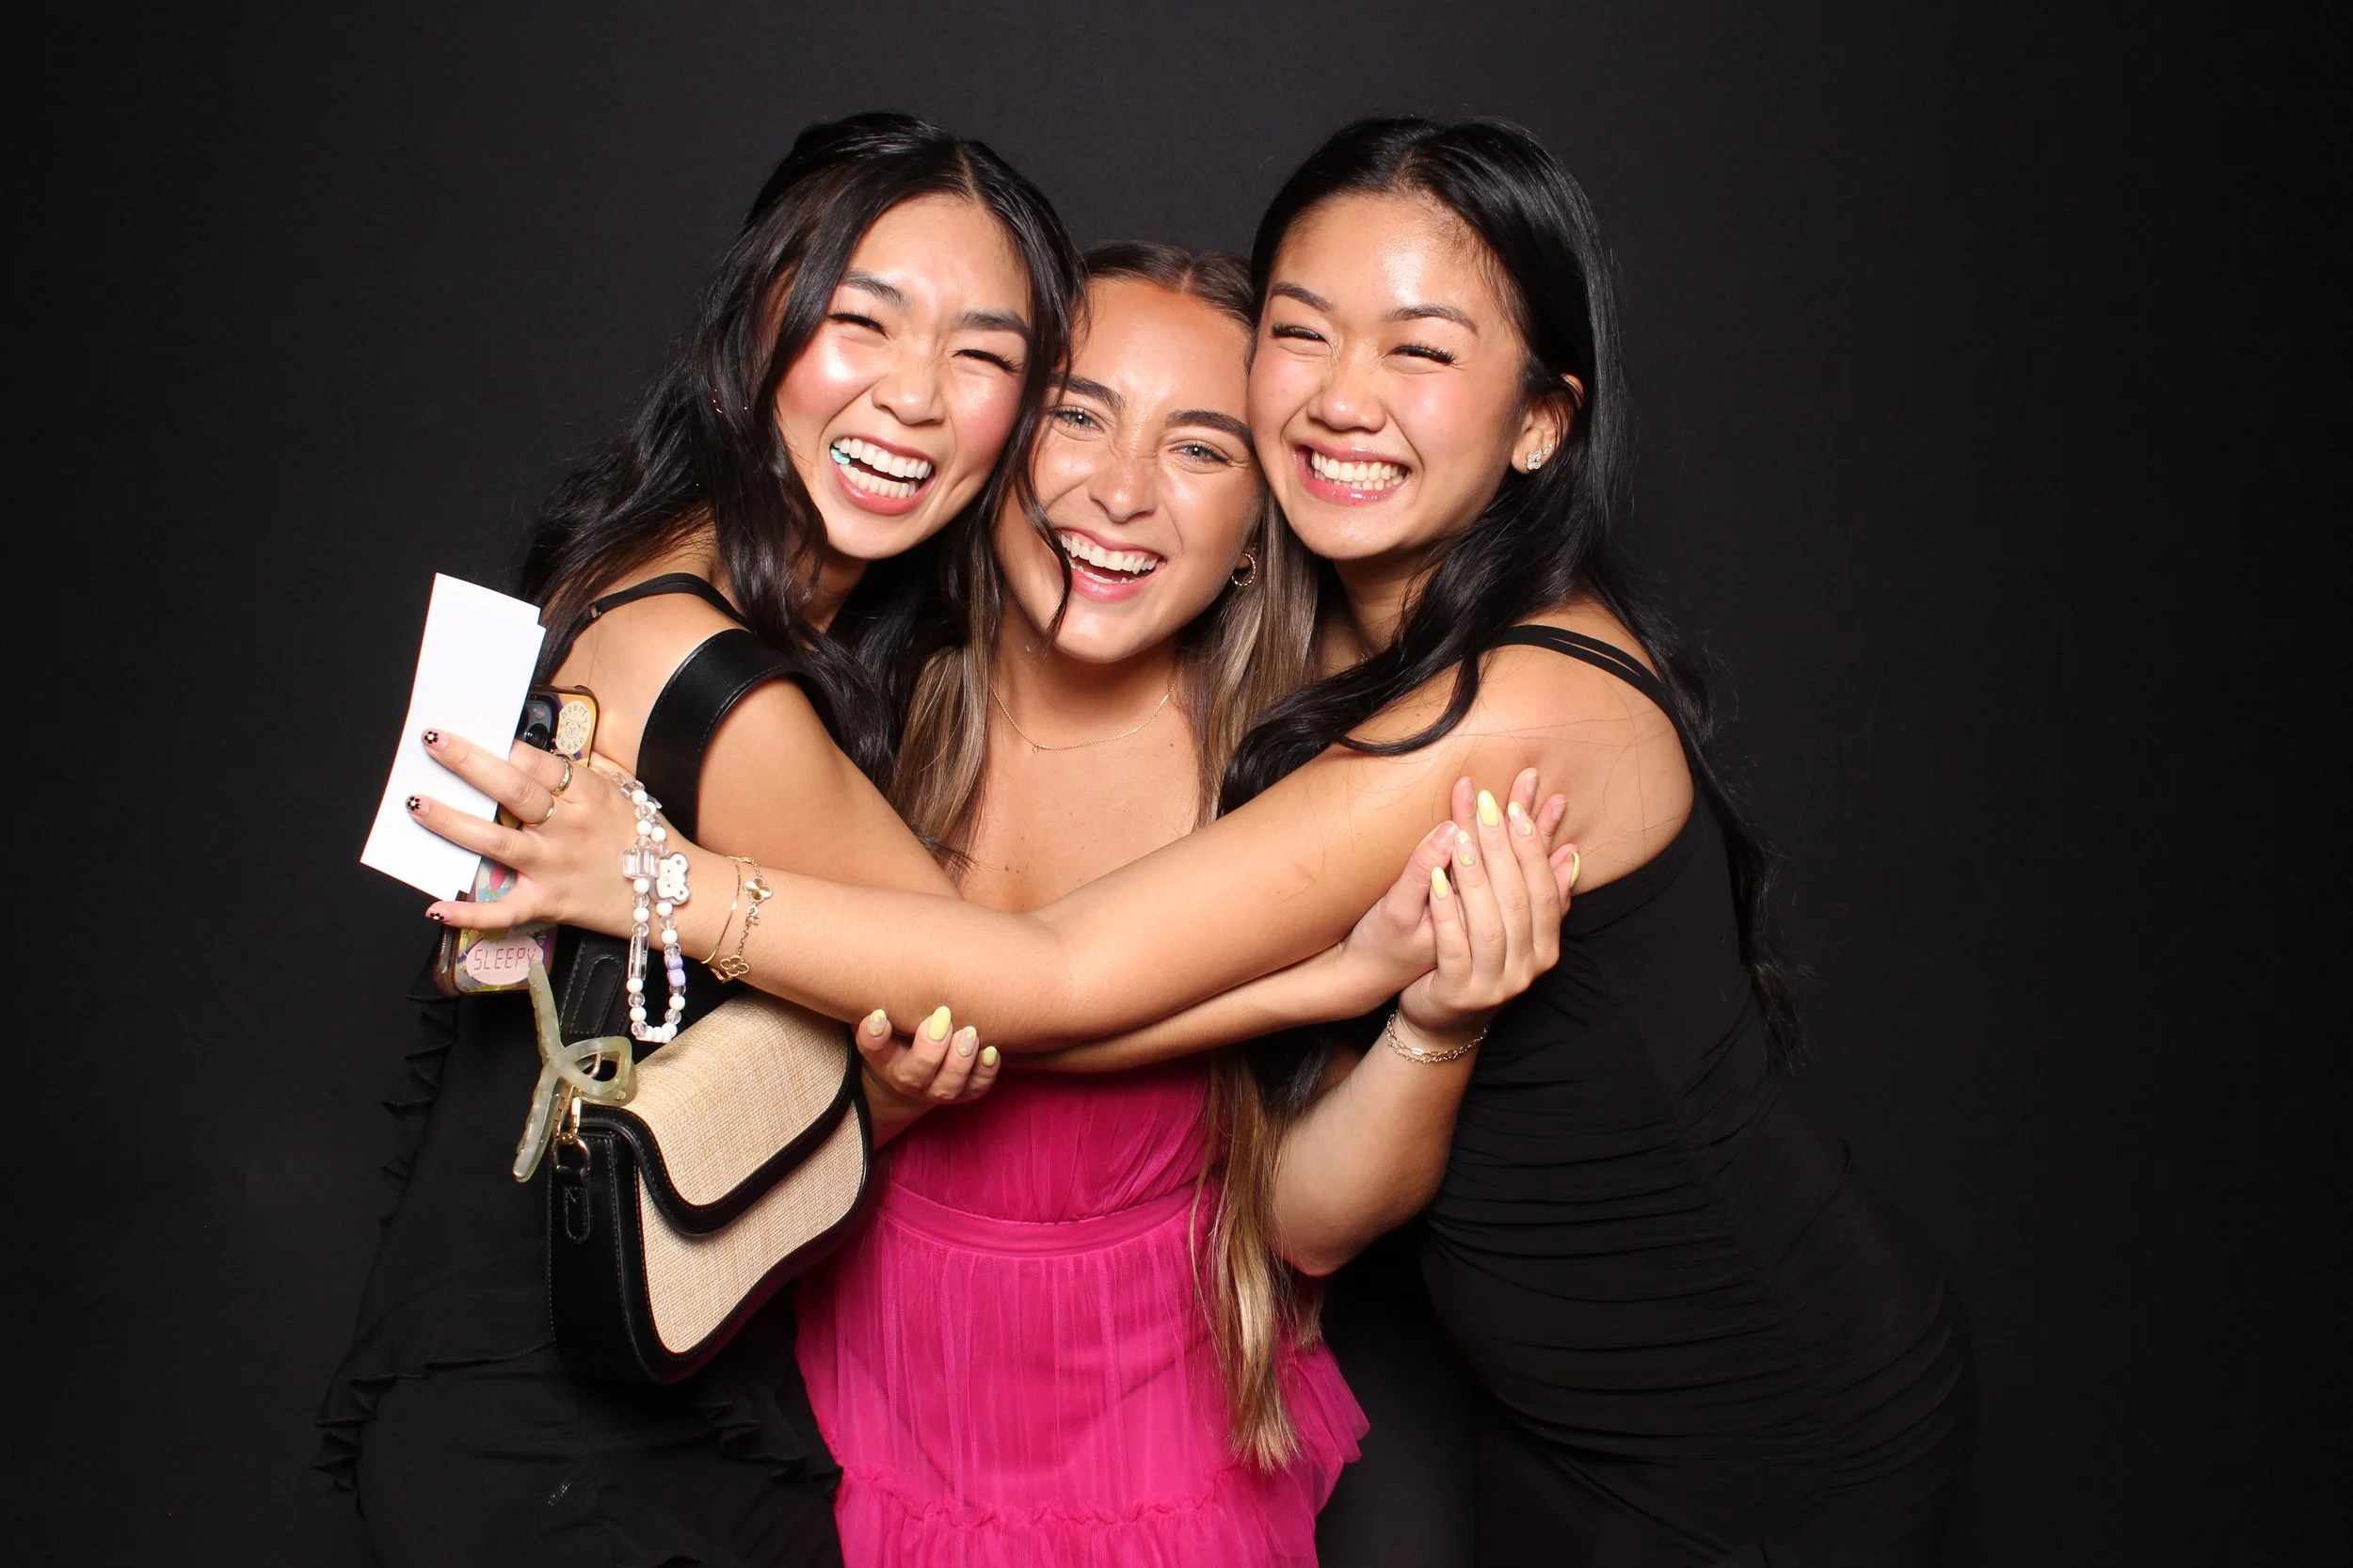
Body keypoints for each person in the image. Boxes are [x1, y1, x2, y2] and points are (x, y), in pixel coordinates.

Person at [414, 115, 1971, 1564]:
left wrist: (663, 882)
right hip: (936, 1410)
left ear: (1541, 421)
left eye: (1418, 349)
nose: (1341, 395)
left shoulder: (1430, 731)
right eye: (1305, 330)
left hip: (1748, 1403)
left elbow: (1062, 1001)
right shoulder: (879, 690)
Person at [318, 112, 1082, 1568]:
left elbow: (662, 1053)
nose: (917, 396)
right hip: (556, 1441)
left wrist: (877, 1091)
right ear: (758, 320)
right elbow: (1014, 984)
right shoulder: (697, 671)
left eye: (983, 355)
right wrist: (1335, 963)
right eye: (864, 320)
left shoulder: (639, 565)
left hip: (653, 1370)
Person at [798, 241, 1372, 1563]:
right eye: (1078, 416)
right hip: (852, 1415)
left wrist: (1435, 1019)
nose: (1120, 492)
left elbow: (1313, 1222)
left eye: (1200, 449)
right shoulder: (853, 715)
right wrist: (872, 1105)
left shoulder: (1291, 789)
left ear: (1257, 532)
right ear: (1000, 444)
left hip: (1161, 1460)